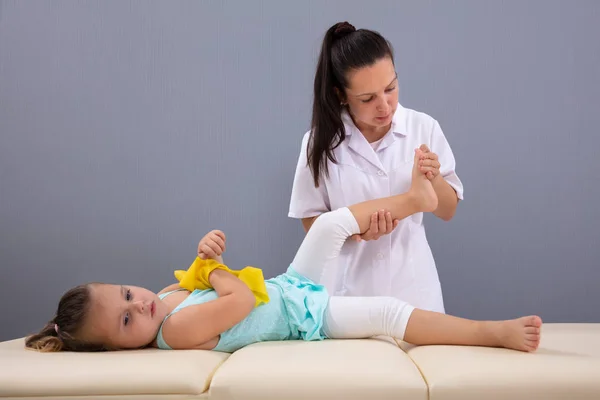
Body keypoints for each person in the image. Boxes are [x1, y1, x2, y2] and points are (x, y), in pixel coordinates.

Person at [25, 151, 541, 354]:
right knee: (386, 313)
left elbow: (201, 280)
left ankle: (414, 199)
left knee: (335, 222)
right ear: (122, 347)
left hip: (289, 288)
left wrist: (204, 256)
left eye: (126, 294)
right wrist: (218, 269)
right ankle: (489, 332)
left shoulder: (163, 299)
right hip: (302, 316)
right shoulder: (174, 331)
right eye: (125, 321)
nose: (140, 305)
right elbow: (237, 301)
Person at [289, 21, 463, 313]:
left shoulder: (423, 127)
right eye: (368, 99)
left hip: (414, 291)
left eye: (390, 88)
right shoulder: (318, 143)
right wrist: (354, 233)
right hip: (350, 294)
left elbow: (447, 209)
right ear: (341, 95)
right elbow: (311, 221)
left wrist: (433, 178)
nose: (384, 106)